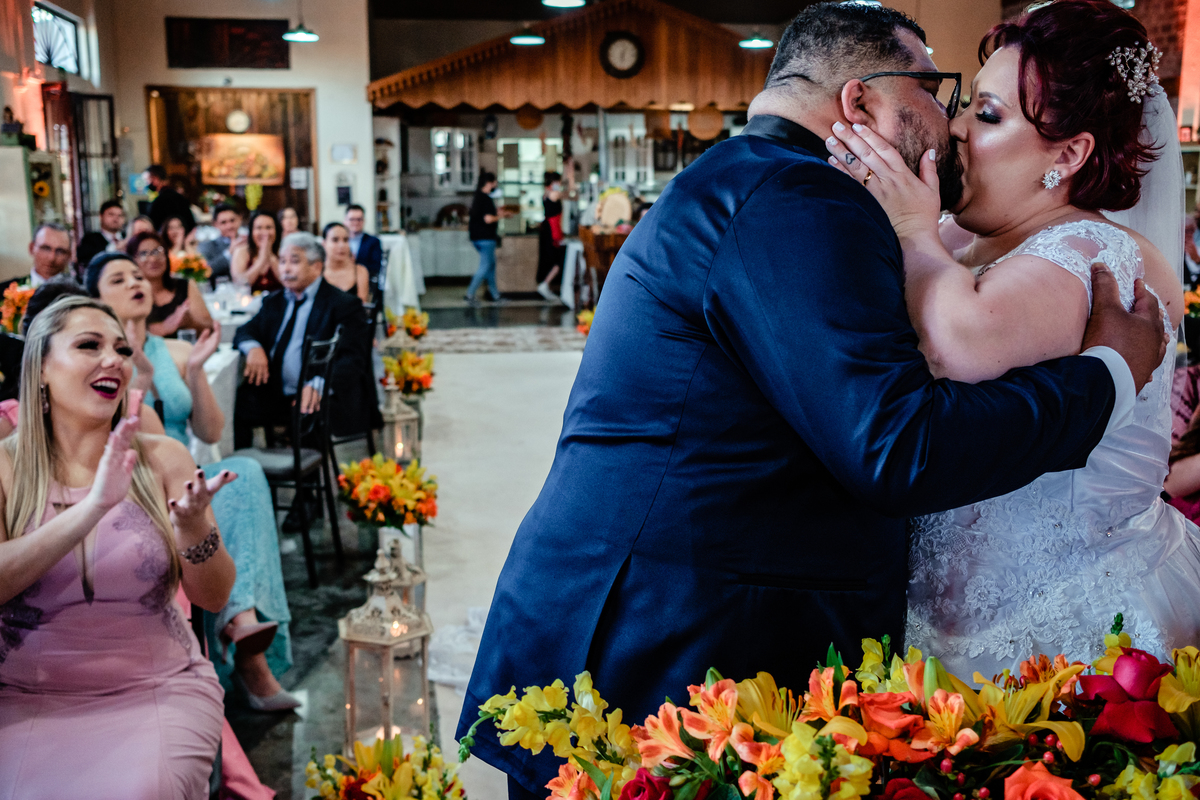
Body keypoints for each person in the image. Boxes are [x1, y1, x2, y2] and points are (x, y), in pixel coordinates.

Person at [457, 4, 1167, 798]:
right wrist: (1105, 374)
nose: (951, 120)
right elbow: (900, 447)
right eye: (938, 92)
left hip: (666, 617)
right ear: (862, 102)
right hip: (665, 641)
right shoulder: (800, 200)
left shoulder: (760, 180)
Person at [827, 0, 1197, 678]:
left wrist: (910, 229)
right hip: (936, 617)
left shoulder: (1093, 252)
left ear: (1068, 153)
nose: (957, 128)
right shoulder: (967, 242)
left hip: (1066, 629)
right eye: (967, 105)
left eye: (989, 116)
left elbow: (956, 346)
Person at [0, 294, 236, 798]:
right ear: (40, 367)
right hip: (22, 697)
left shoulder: (163, 460)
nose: (114, 360)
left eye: (123, 351)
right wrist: (91, 509)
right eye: (89, 345)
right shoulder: (4, 468)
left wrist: (194, 532)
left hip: (156, 689)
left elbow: (214, 598)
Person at [85, 253, 298, 714]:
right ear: (95, 300)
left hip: (188, 473)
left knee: (243, 475)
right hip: (140, 481)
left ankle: (241, 622)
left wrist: (197, 371)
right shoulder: (97, 365)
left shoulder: (173, 351)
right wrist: (136, 376)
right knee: (217, 493)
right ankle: (249, 654)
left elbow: (211, 432)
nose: (134, 283)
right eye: (118, 279)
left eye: (138, 275)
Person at [232, 232, 374, 452]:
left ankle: (310, 482)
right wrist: (254, 348)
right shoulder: (275, 301)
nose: (285, 269)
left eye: (294, 261)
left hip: (322, 393)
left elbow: (353, 360)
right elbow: (245, 329)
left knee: (307, 411)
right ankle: (246, 471)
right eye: (282, 261)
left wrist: (319, 384)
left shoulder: (342, 304)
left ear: (317, 267)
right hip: (278, 391)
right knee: (236, 403)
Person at [127, 231, 214, 337]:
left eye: (157, 251)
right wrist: (163, 327)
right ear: (132, 260)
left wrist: (190, 322)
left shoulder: (183, 285)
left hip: (187, 350)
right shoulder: (130, 292)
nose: (153, 259)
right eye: (144, 254)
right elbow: (125, 333)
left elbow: (210, 326)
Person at [465, 171, 513, 304]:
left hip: (477, 237)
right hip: (485, 237)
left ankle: (495, 295)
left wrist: (499, 212)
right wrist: (501, 216)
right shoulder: (485, 198)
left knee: (490, 265)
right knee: (485, 266)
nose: (496, 184)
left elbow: (486, 214)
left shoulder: (479, 197)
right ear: (489, 183)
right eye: (494, 182)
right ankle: (469, 294)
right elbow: (487, 219)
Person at [231, 210, 282, 292]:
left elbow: (289, 283)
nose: (264, 233)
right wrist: (261, 260)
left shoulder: (284, 251)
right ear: (251, 232)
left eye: (268, 227)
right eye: (259, 228)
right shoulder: (241, 252)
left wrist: (270, 256)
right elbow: (240, 284)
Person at [536, 172, 566, 303]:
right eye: (558, 182)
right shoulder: (553, 194)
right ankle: (544, 285)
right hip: (552, 230)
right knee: (558, 261)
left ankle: (545, 285)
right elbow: (571, 195)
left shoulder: (546, 193)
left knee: (552, 259)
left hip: (549, 229)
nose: (559, 184)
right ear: (553, 182)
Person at [322, 221, 370, 302]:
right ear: (324, 244)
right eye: (335, 240)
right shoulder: (316, 272)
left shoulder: (360, 271)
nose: (341, 245)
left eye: (345, 240)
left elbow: (362, 307)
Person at [76, 199, 127, 271]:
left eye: (120, 215)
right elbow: (86, 260)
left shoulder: (127, 237)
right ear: (101, 216)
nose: (116, 219)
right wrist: (115, 248)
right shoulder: (90, 239)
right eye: (111, 215)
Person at [199, 203, 245, 283]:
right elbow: (205, 271)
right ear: (215, 224)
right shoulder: (208, 246)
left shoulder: (248, 242)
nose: (229, 226)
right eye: (223, 222)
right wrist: (229, 253)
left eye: (232, 220)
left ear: (240, 219)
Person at [144, 164, 196, 232]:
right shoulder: (179, 198)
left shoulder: (159, 202)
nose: (146, 183)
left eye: (147, 179)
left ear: (155, 178)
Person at [25, 222, 72, 287]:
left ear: (69, 255)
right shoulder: (7, 291)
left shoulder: (80, 293)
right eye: (45, 248)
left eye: (60, 251)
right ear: (32, 248)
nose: (52, 258)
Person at [344, 203, 383, 281]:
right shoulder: (340, 241)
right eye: (352, 219)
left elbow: (376, 267)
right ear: (345, 221)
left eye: (359, 219)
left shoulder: (373, 242)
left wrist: (354, 265)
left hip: (364, 280)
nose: (355, 222)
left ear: (364, 221)